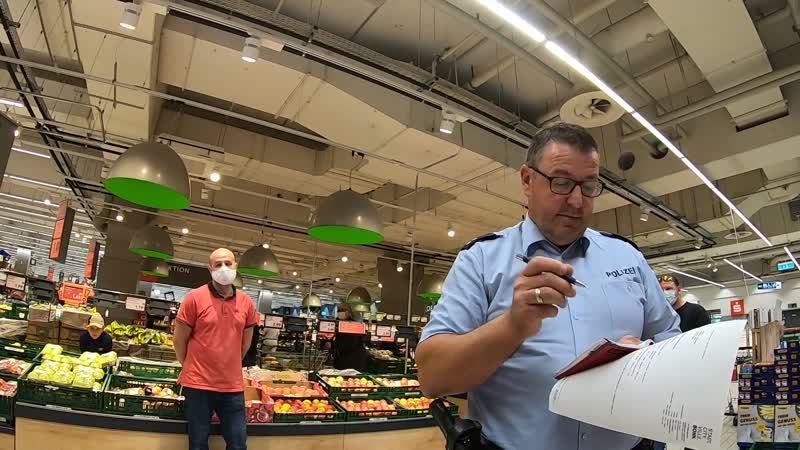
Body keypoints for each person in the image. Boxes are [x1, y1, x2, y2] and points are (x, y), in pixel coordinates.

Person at [415, 122, 682, 450]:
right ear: (528, 180)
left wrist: (645, 358)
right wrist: (512, 326)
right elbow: (433, 378)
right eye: (561, 183)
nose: (577, 200)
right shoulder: (481, 259)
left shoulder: (627, 256)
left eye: (589, 185)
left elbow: (671, 340)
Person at [173, 248, 258, 450]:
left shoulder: (246, 302)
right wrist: (190, 366)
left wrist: (229, 363)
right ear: (210, 269)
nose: (224, 268)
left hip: (232, 386)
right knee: (198, 443)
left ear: (236, 265)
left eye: (228, 263)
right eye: (218, 264)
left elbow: (245, 343)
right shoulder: (194, 298)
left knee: (238, 443)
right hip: (199, 385)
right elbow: (179, 340)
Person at [332, 303, 367, 371]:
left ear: (349, 312)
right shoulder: (339, 324)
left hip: (353, 361)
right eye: (339, 310)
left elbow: (351, 343)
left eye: (343, 310)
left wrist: (334, 345)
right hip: (342, 360)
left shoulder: (354, 325)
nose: (340, 312)